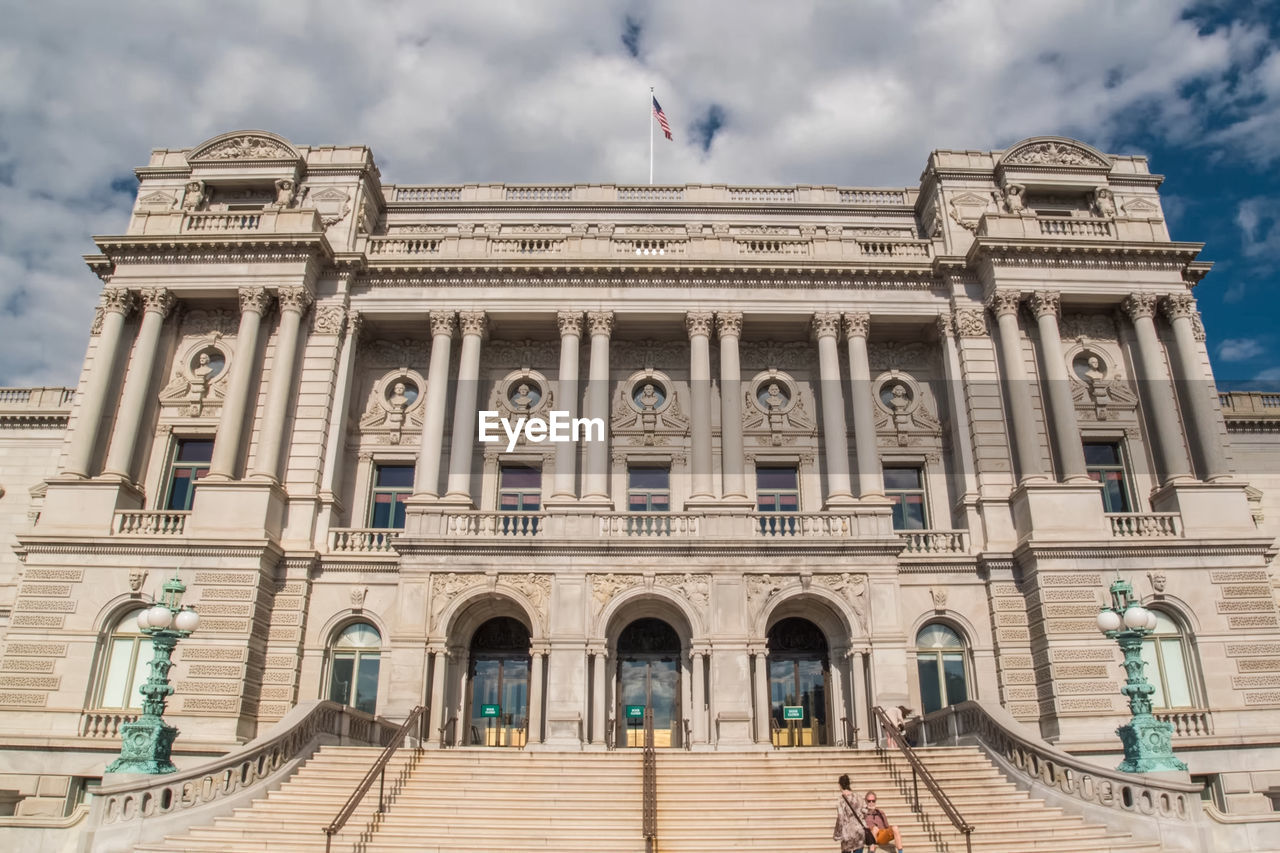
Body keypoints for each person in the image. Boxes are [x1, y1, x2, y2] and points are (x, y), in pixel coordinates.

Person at [833, 774, 870, 853]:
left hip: (847, 833)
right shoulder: (858, 797)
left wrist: (837, 834)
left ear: (840, 785)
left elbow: (840, 817)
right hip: (859, 831)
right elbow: (865, 811)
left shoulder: (841, 800)